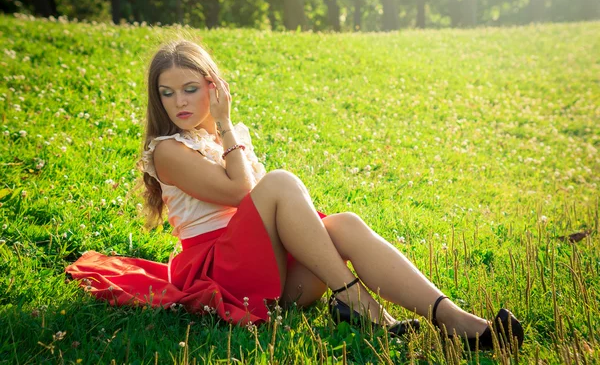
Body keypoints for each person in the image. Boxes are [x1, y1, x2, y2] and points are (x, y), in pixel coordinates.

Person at [66, 39, 524, 351]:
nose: (180, 102)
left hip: (273, 276)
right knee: (279, 181)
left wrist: (227, 130)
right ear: (158, 100)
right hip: (223, 276)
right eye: (168, 94)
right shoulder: (167, 150)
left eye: (190, 89)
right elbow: (240, 190)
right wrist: (225, 127)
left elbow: (257, 207)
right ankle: (358, 302)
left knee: (342, 223)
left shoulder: (231, 136)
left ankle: (458, 322)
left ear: (214, 88)